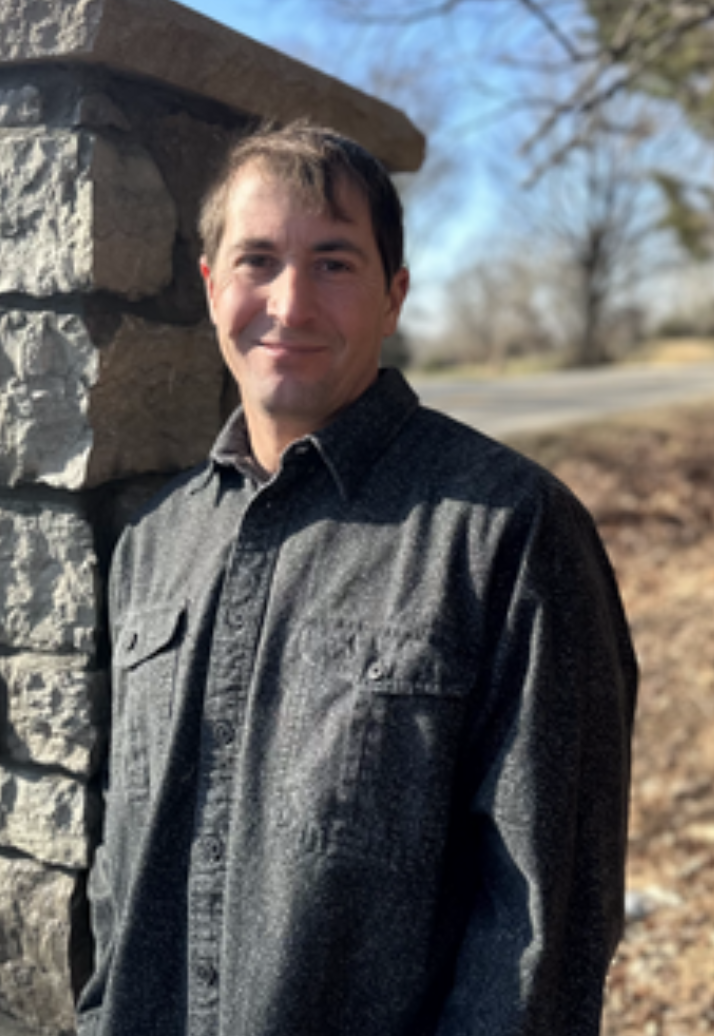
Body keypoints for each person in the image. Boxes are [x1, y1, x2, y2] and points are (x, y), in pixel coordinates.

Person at [76, 122, 638, 1036]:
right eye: (257, 260)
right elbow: (122, 860)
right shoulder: (154, 544)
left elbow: (544, 930)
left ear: (393, 297)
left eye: (333, 263)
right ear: (212, 286)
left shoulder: (510, 535)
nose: (290, 303)